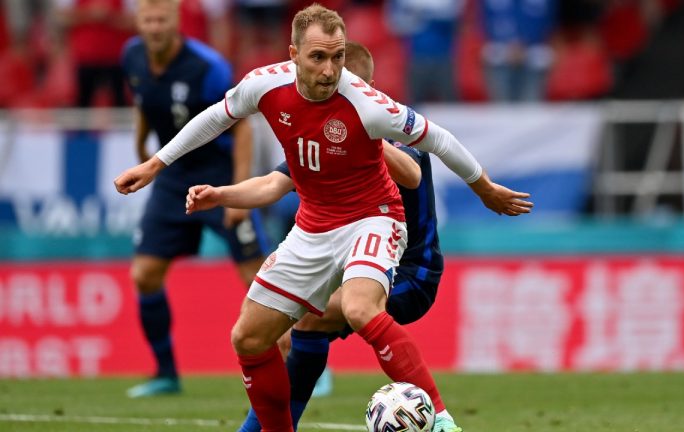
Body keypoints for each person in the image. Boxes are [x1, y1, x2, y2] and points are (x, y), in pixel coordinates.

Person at [114, 4, 532, 431]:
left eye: (336, 57)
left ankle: (442, 421)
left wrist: (484, 188)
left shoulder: (367, 105)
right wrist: (158, 166)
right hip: (314, 227)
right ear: (293, 54)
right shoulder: (264, 85)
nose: (330, 70)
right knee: (249, 336)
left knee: (357, 308)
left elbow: (434, 142)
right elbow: (218, 118)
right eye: (318, 57)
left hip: (375, 218)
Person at [184, 40, 488, 432]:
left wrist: (363, 132)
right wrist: (223, 194)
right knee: (289, 326)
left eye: (350, 85)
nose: (339, 94)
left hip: (413, 272)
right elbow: (273, 184)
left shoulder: (393, 133)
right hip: (351, 261)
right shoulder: (320, 138)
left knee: (313, 318)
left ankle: (443, 420)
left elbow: (410, 174)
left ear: (371, 88)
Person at [121, 0, 270, 398]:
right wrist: (141, 149)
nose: (154, 27)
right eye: (147, 20)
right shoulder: (132, 56)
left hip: (219, 179)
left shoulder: (208, 67)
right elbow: (143, 103)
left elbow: (242, 130)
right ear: (139, 21)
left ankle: (305, 361)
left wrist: (239, 194)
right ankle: (166, 374)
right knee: (144, 275)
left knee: (260, 282)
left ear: (175, 22)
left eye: (161, 20)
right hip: (172, 181)